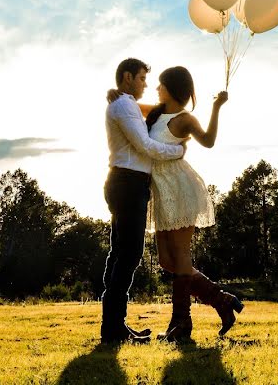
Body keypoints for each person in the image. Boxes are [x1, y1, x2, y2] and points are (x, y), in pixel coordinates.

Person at [108, 66, 244, 342]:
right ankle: (222, 301)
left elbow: (208, 140)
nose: (156, 88)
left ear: (171, 88)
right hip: (160, 193)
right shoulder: (156, 111)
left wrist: (217, 107)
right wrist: (116, 93)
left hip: (180, 188)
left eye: (160, 84)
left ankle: (181, 324)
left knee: (181, 257)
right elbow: (130, 106)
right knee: (168, 262)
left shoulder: (185, 119)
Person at [100, 58, 186, 345]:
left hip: (127, 183)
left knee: (120, 254)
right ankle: (113, 329)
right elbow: (145, 146)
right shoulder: (124, 105)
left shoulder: (126, 104)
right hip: (127, 183)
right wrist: (177, 151)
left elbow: (154, 115)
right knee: (129, 254)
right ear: (127, 77)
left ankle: (114, 326)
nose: (146, 84)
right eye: (141, 78)